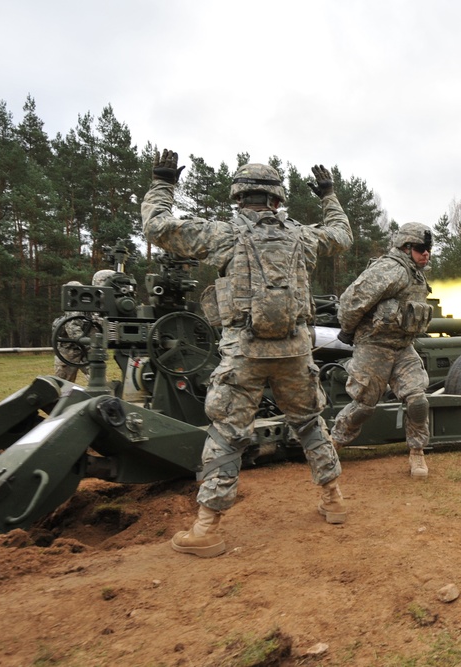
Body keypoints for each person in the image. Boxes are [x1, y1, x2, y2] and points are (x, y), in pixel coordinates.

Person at [141, 148, 353, 558]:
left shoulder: (222, 234)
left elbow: (157, 227)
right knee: (309, 422)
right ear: (279, 199)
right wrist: (328, 194)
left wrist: (163, 183)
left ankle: (207, 528)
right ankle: (333, 501)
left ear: (238, 197)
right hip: (294, 349)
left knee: (227, 432)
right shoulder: (301, 236)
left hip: (245, 351)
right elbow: (342, 236)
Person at [331, 222, 434, 478]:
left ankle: (417, 453)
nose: (426, 254)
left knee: (417, 399)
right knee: (364, 406)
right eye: (422, 248)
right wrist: (347, 328)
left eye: (429, 249)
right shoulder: (391, 270)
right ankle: (332, 447)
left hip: (402, 347)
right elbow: (351, 300)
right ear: (406, 247)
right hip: (374, 346)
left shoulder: (415, 273)